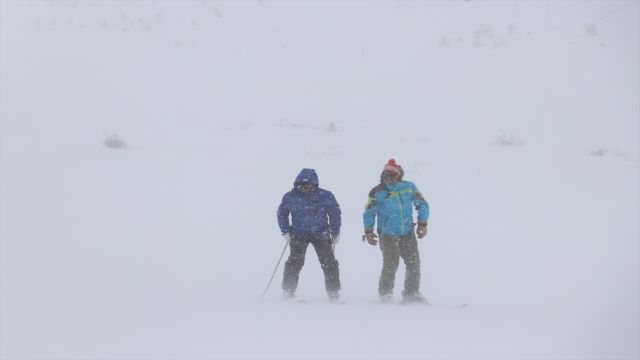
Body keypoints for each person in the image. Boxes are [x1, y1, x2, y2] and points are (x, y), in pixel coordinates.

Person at [363, 159, 430, 304]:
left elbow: (422, 204)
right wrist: (369, 231)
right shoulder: (377, 192)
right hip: (387, 234)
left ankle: (411, 293)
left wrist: (422, 223)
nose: (388, 177)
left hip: (407, 232)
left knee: (413, 263)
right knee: (391, 263)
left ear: (398, 174)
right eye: (386, 174)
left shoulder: (408, 187)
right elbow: (369, 212)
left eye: (392, 174)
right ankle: (385, 294)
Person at [277, 168, 342, 302]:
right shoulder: (290, 196)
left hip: (321, 233)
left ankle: (334, 293)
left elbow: (334, 213)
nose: (307, 188)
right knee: (294, 262)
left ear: (315, 184)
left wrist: (335, 232)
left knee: (329, 263)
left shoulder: (326, 195)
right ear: (298, 184)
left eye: (310, 185)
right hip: (299, 234)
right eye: (304, 185)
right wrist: (285, 231)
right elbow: (282, 214)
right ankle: (288, 291)